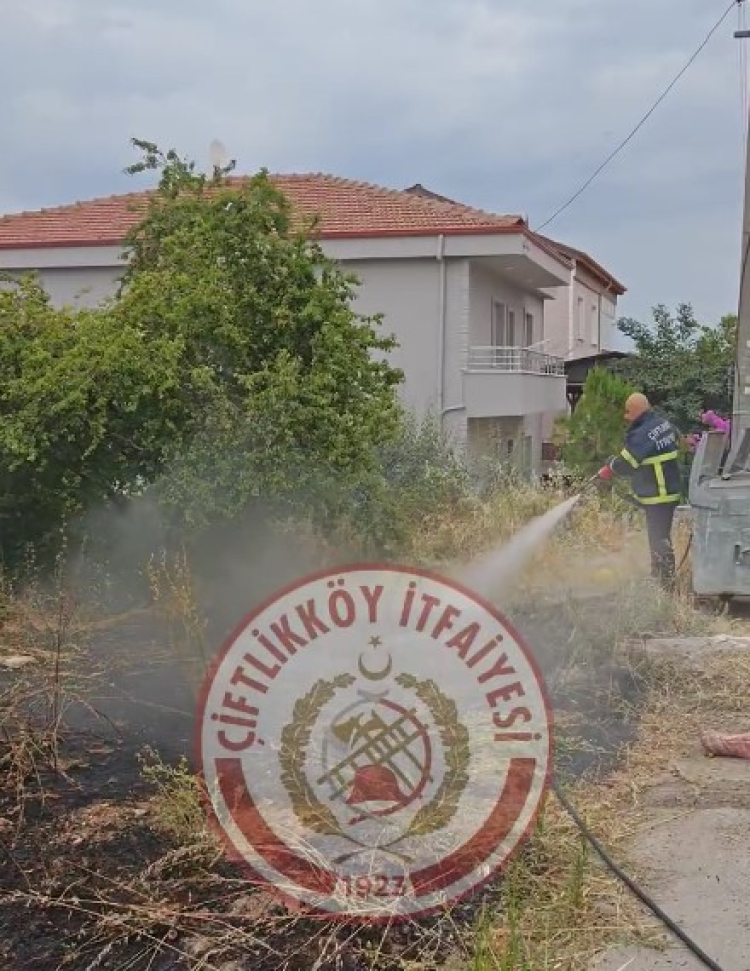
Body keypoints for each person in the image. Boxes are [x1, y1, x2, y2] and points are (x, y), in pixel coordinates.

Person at [598, 393, 682, 588]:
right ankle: (660, 577)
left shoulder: (642, 434)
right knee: (661, 537)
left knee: (658, 539)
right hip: (669, 490)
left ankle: (665, 583)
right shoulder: (662, 423)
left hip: (658, 496)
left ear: (636, 410)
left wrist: (611, 464)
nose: (626, 417)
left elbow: (626, 465)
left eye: (628, 412)